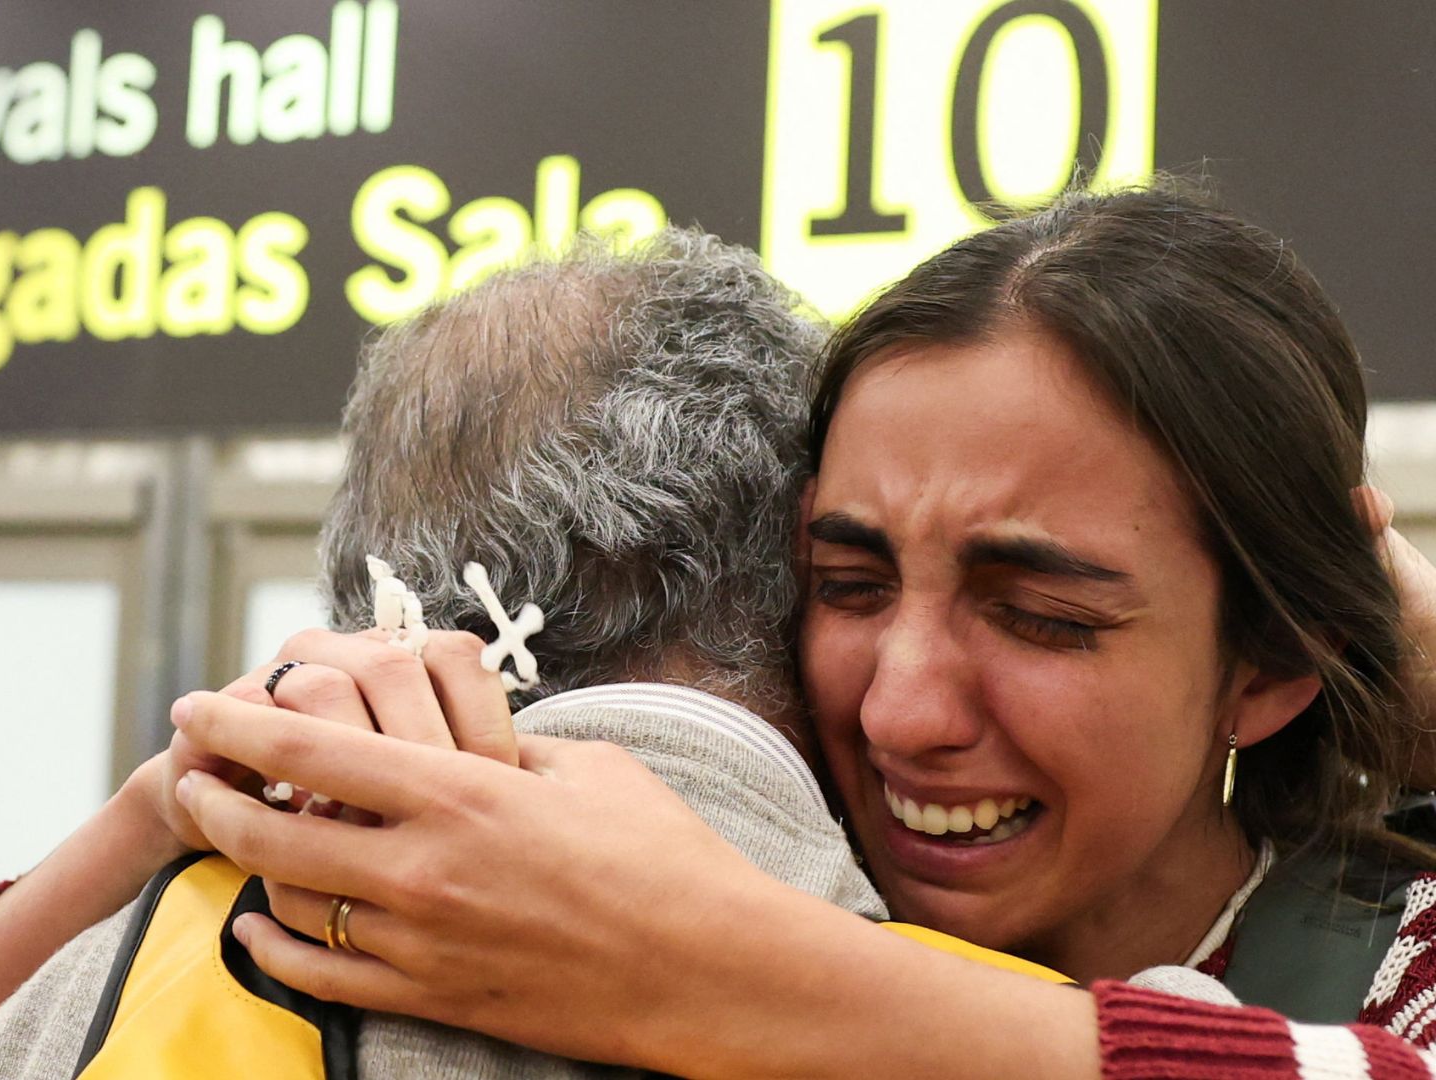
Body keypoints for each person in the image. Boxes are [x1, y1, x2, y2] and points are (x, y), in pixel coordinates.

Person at [170, 186, 1436, 1077]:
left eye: (1043, 617)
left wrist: (740, 975)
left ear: (1270, 658)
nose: (901, 712)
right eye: (848, 583)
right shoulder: (634, 847)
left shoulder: (1397, 956)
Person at [0, 229, 899, 1080]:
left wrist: (159, 825)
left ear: (374, 582)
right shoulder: (957, 991)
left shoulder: (80, 998)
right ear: (800, 549)